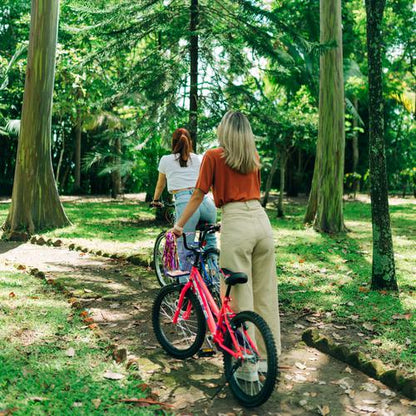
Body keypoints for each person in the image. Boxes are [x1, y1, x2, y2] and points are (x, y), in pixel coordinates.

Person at [171, 111, 281, 375]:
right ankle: (268, 358)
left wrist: (178, 225)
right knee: (265, 293)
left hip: (236, 222)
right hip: (262, 223)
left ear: (225, 131)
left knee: (237, 296)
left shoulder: (213, 156)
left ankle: (247, 364)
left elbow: (198, 195)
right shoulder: (252, 158)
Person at [151, 128, 217, 271]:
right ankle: (214, 279)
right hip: (206, 203)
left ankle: (186, 285)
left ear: (173, 143)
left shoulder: (166, 160)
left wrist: (155, 200)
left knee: (185, 247)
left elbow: (160, 185)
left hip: (186, 204)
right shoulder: (199, 158)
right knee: (211, 244)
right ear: (190, 142)